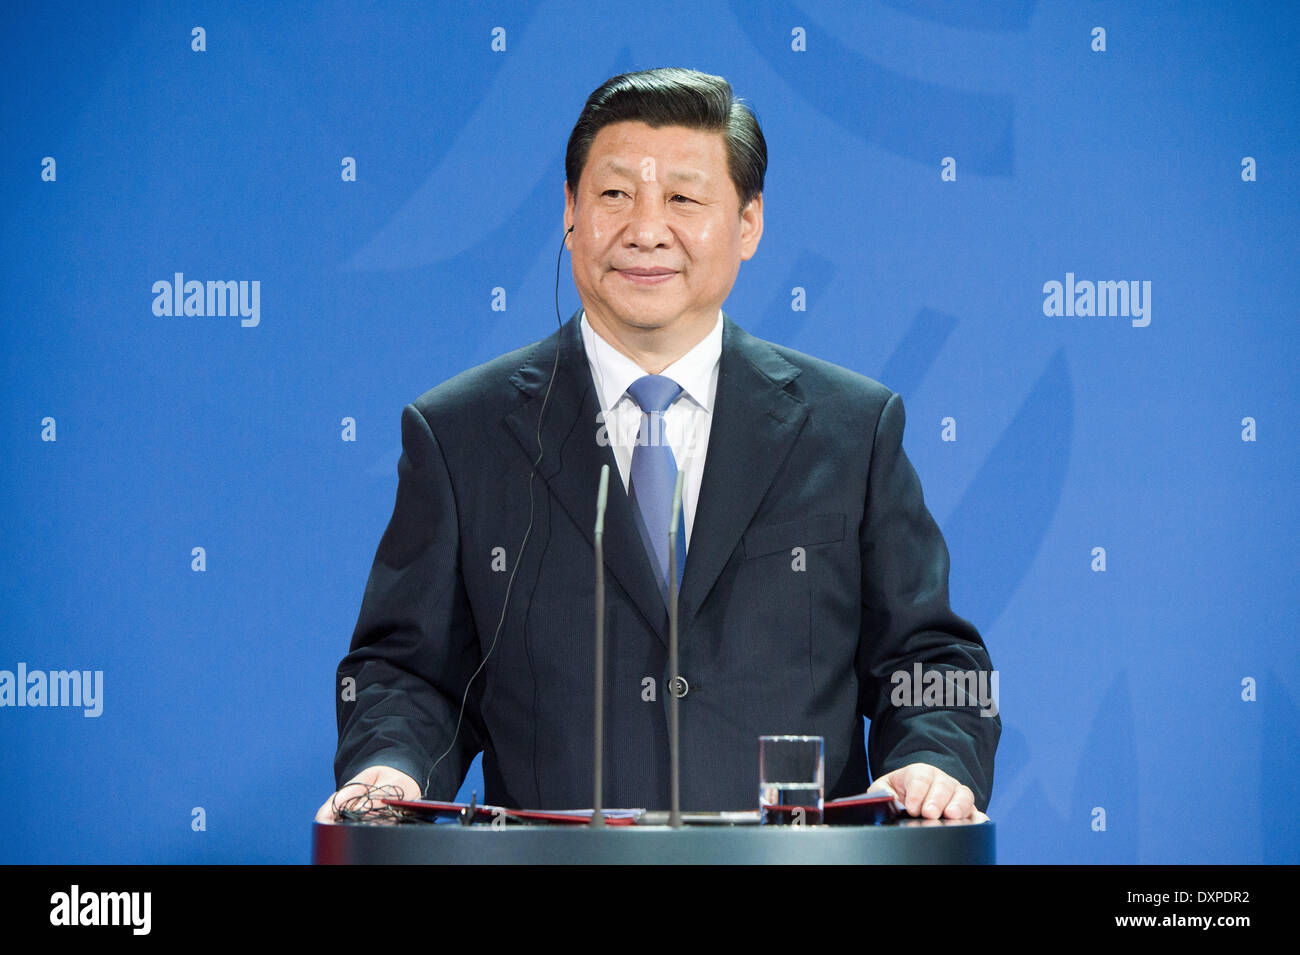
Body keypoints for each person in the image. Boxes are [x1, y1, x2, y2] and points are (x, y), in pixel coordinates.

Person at [316, 68, 999, 824]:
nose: (645, 230)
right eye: (614, 196)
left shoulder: (851, 427)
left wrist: (932, 757)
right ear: (570, 212)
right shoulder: (460, 433)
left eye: (682, 198)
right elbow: (409, 672)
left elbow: (932, 661)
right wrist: (389, 764)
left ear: (748, 223)